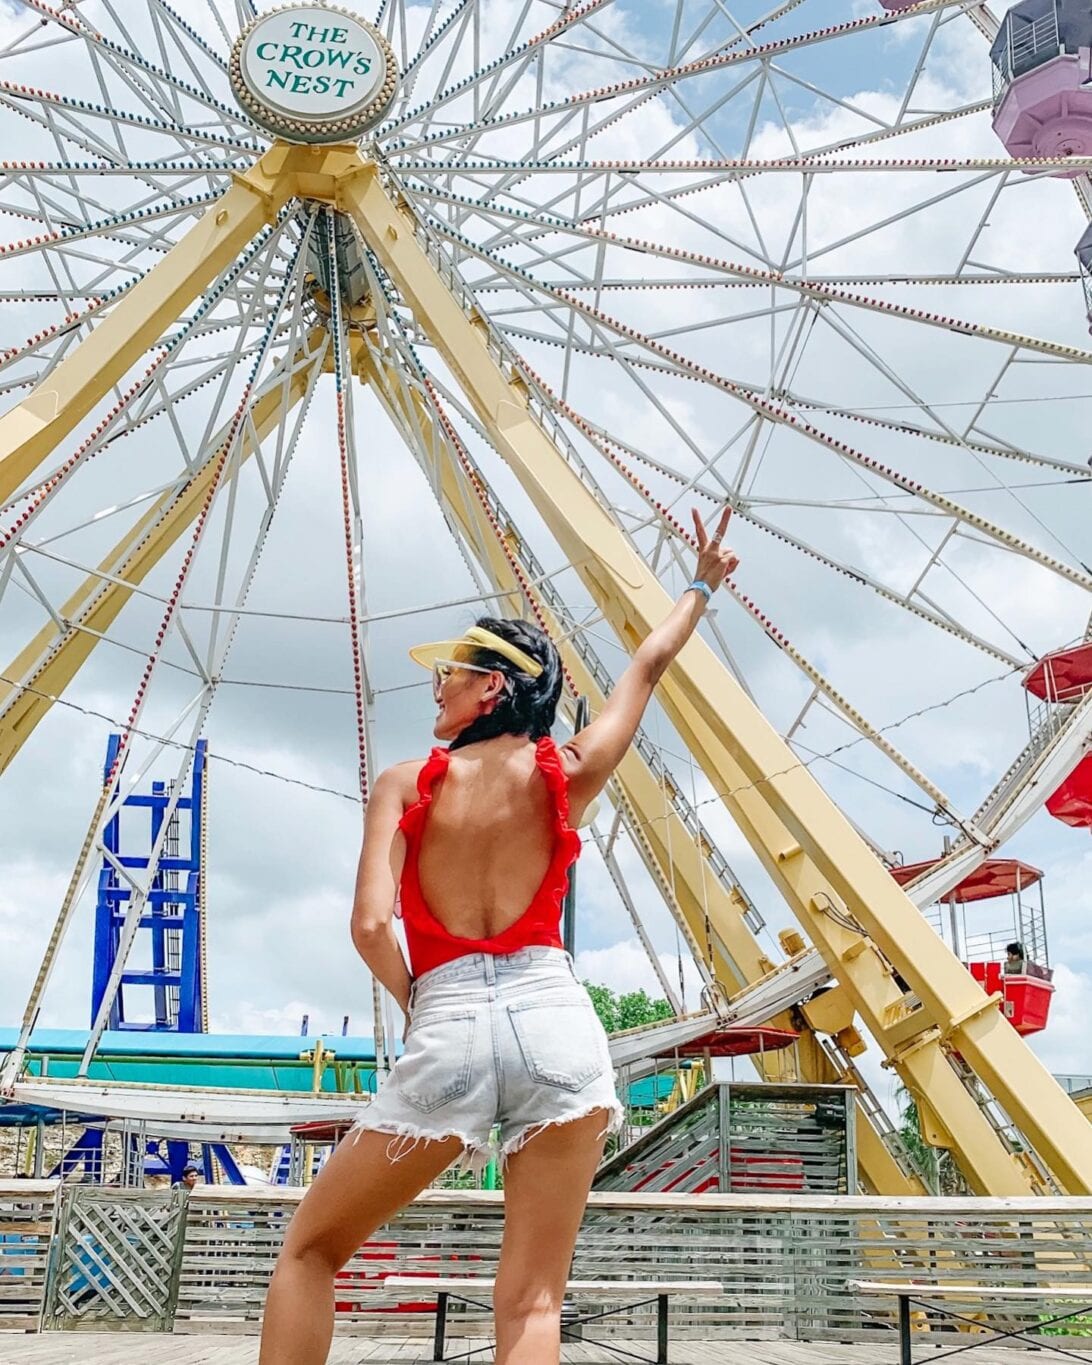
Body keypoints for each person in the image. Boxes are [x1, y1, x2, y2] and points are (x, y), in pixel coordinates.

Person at [258, 508, 739, 1365]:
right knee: (531, 1302)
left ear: (494, 687)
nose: (437, 685)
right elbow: (649, 664)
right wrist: (700, 584)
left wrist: (424, 1005)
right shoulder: (570, 773)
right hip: (556, 1017)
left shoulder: (406, 786)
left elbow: (371, 926)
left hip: (447, 1017)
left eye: (452, 672)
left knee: (311, 1252)